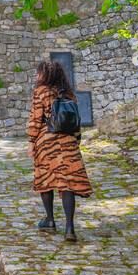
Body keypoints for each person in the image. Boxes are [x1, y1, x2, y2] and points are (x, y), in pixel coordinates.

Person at [27, 59, 93, 240]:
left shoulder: (40, 92)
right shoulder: (69, 94)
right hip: (69, 142)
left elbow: (35, 120)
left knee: (45, 179)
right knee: (68, 184)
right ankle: (70, 228)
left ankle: (50, 220)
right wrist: (75, 142)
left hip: (46, 142)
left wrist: (31, 142)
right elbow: (76, 122)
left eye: (39, 72)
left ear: (45, 75)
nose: (36, 76)